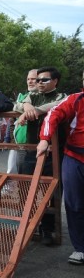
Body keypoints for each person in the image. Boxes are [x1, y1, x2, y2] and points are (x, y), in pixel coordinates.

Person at [14, 66, 66, 245]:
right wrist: (27, 107)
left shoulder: (61, 97)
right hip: (30, 150)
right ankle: (26, 227)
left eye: (44, 80)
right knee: (27, 190)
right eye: (38, 80)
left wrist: (36, 110)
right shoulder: (33, 96)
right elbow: (17, 104)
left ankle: (47, 229)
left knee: (49, 192)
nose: (39, 83)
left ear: (55, 81)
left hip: (52, 153)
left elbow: (57, 106)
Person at [36, 70, 84, 264]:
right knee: (74, 204)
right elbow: (52, 114)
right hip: (74, 157)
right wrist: (44, 139)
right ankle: (80, 248)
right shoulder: (75, 99)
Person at [7, 69, 38, 174]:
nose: (30, 81)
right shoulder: (23, 96)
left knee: (43, 180)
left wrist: (24, 108)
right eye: (28, 79)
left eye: (33, 79)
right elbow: (13, 112)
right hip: (21, 144)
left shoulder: (45, 97)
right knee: (23, 179)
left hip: (39, 145)